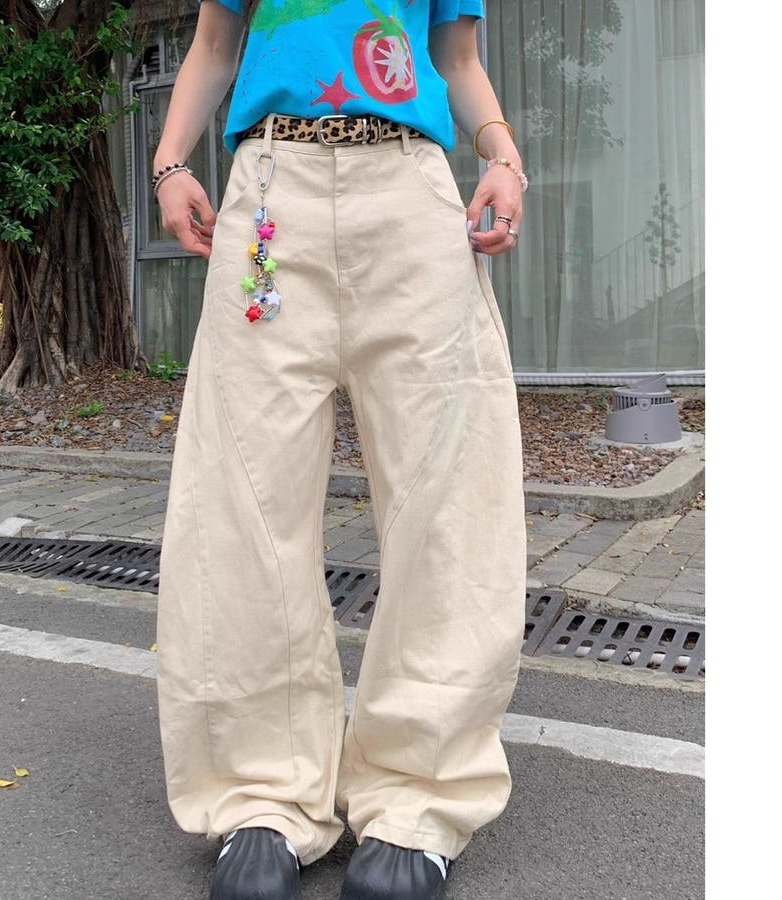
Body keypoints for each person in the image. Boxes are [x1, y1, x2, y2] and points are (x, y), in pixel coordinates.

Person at [153, 1, 527, 897]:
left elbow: (456, 57)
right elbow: (215, 43)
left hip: (410, 194)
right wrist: (169, 164)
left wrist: (503, 157)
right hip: (268, 189)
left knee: (447, 494)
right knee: (242, 494)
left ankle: (419, 797)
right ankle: (262, 794)